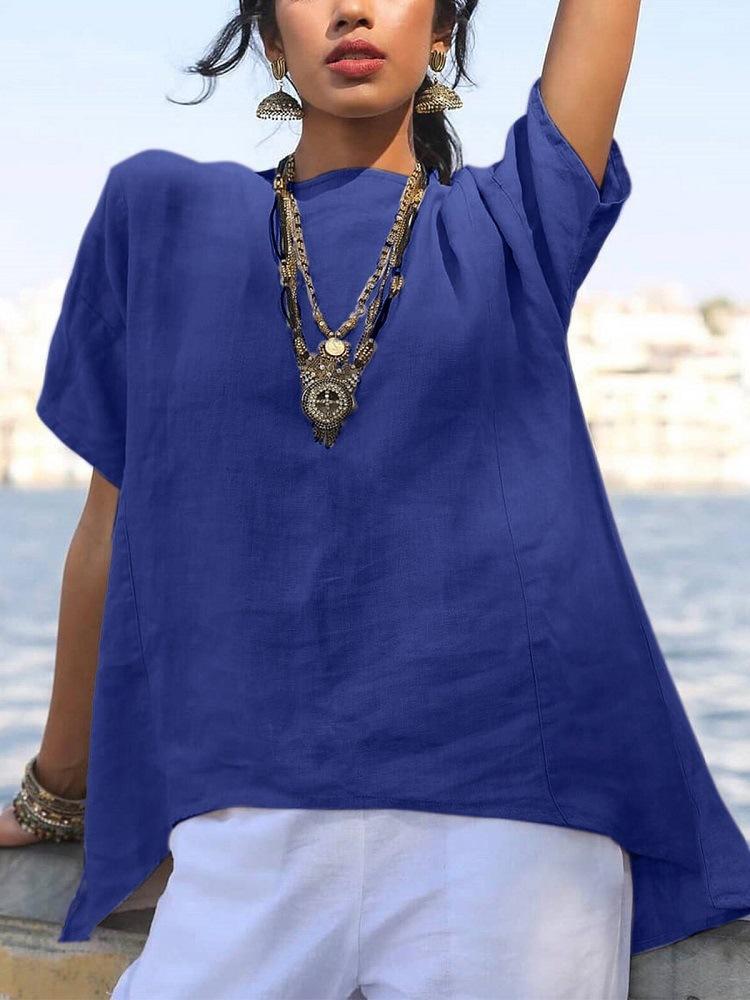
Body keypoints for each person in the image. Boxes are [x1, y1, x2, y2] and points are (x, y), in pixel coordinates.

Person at [3, 0, 750, 997]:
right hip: (245, 825)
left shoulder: (514, 221)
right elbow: (108, 531)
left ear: (441, 32)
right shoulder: (159, 214)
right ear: (272, 37)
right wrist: (59, 790)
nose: (352, 8)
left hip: (516, 840)